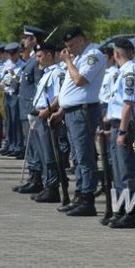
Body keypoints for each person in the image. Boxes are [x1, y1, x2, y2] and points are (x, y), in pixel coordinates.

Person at [49, 27, 106, 216]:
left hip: (84, 112)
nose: (70, 49)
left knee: (85, 155)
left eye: (72, 45)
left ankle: (88, 198)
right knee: (77, 156)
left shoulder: (93, 55)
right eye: (67, 47)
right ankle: (80, 194)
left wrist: (67, 62)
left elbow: (80, 81)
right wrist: (62, 110)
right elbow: (72, 91)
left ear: (82, 39)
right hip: (72, 112)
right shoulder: (79, 58)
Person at [107, 38, 135, 229]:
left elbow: (128, 104)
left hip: (128, 125)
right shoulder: (123, 71)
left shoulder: (130, 71)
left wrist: (122, 131)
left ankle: (130, 213)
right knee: (118, 169)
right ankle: (121, 209)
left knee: (126, 170)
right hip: (118, 124)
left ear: (116, 54)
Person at [30, 42, 65, 201]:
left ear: (49, 55)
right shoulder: (46, 73)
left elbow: (59, 97)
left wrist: (47, 111)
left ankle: (52, 187)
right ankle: (46, 184)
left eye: (39, 56)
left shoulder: (57, 73)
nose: (37, 60)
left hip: (47, 116)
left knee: (49, 153)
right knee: (42, 153)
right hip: (39, 115)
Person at [14, 25, 46, 193]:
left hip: (31, 108)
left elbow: (39, 86)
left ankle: (37, 178)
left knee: (34, 145)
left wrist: (34, 108)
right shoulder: (31, 60)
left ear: (33, 40)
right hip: (24, 107)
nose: (23, 41)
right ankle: (32, 176)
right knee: (30, 144)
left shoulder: (37, 60)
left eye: (26, 38)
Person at [0, 42, 24, 157]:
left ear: (17, 53)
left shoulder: (22, 65)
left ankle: (18, 146)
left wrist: (14, 75)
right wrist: (2, 83)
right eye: (9, 54)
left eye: (13, 54)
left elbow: (22, 82)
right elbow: (1, 77)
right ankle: (10, 144)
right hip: (6, 94)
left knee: (16, 121)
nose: (11, 56)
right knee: (8, 121)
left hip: (16, 94)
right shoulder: (6, 64)